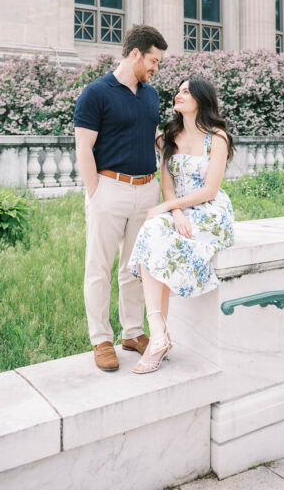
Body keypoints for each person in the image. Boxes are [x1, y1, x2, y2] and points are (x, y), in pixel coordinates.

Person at [126, 77, 236, 374]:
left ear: (201, 99)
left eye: (186, 92)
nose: (178, 95)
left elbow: (210, 190)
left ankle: (158, 338)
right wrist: (174, 212)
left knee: (155, 230)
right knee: (152, 231)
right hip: (180, 210)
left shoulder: (217, 138)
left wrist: (167, 208)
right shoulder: (171, 135)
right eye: (178, 91)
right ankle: (159, 333)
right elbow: (168, 183)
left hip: (211, 212)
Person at [74, 24, 168, 372]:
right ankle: (101, 339)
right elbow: (83, 147)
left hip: (147, 191)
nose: (156, 68)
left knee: (136, 268)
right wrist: (95, 192)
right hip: (108, 188)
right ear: (134, 54)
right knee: (99, 268)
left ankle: (132, 332)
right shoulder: (96, 93)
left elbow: (152, 134)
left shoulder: (150, 94)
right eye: (153, 61)